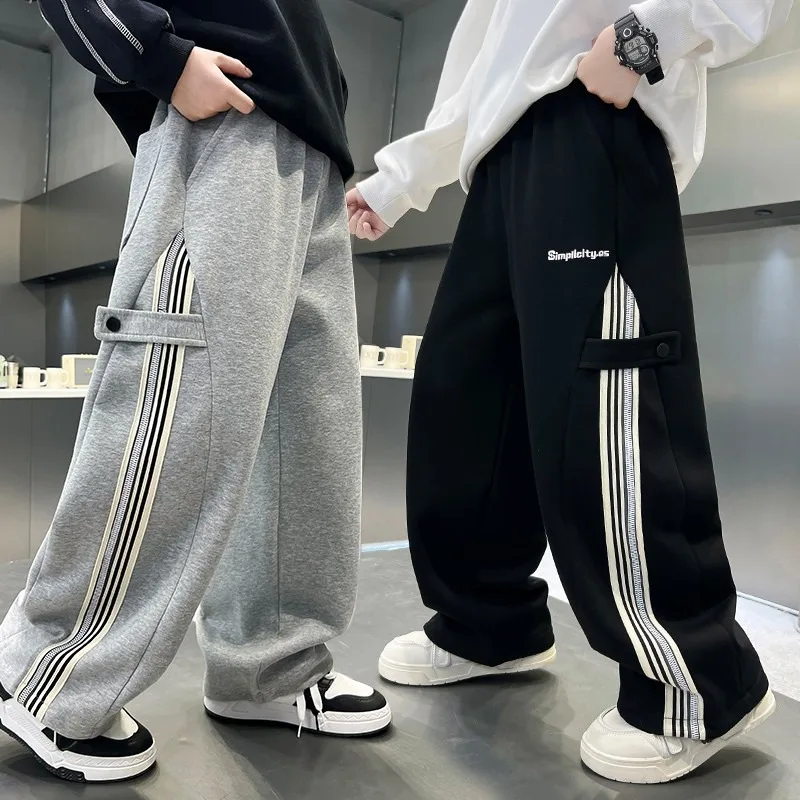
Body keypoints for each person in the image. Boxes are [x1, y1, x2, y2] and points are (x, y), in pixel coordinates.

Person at [348, 0, 792, 785]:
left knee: (607, 402)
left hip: (594, 112)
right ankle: (488, 625)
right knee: (468, 397)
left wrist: (640, 39)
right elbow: (485, 61)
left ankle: (696, 682)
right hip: (497, 159)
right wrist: (401, 177)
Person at [0, 0, 391, 784]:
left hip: (314, 150)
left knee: (304, 432)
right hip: (226, 121)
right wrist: (158, 57)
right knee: (179, 409)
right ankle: (50, 675)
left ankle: (265, 666)